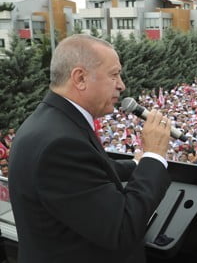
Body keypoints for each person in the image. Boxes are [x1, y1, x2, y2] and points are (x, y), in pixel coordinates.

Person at [9, 35, 172, 263]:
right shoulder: (60, 145)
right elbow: (122, 228)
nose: (121, 85)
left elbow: (90, 173)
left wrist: (137, 164)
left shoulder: (50, 123)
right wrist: (154, 155)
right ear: (80, 78)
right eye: (113, 74)